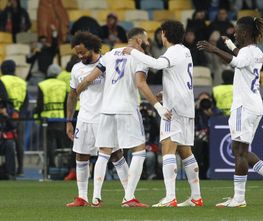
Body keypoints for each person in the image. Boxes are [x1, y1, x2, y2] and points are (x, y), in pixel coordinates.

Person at [76, 27, 170, 207]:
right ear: (140, 41)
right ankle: (129, 197)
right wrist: (157, 106)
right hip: (127, 109)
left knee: (104, 153)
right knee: (139, 151)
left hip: (106, 109)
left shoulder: (110, 54)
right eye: (147, 40)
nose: (149, 43)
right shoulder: (140, 55)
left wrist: (77, 91)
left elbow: (89, 79)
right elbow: (140, 84)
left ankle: (95, 197)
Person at [197, 16, 263, 207]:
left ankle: (239, 198)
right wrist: (228, 44)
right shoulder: (256, 52)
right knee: (240, 150)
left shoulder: (246, 52)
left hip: (244, 106)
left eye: (236, 31)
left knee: (240, 152)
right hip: (254, 105)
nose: (235, 33)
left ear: (244, 33)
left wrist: (215, 49)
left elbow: (236, 62)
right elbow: (240, 56)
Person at [124, 20, 203, 207]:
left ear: (165, 34)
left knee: (167, 149)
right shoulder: (185, 50)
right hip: (186, 105)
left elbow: (157, 64)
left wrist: (133, 51)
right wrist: (165, 93)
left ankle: (170, 197)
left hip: (173, 108)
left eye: (162, 32)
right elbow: (178, 77)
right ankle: (196, 197)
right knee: (185, 151)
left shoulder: (174, 51)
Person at [65, 32, 130, 207]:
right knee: (81, 155)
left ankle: (129, 196)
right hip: (85, 118)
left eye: (82, 52)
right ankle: (82, 197)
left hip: (106, 117)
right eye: (77, 53)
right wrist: (69, 121)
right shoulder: (76, 69)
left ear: (92, 48)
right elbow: (72, 96)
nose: (80, 56)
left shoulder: (108, 63)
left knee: (116, 155)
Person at [34, 64, 69, 169]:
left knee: (48, 143)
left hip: (47, 119)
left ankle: (51, 164)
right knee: (62, 143)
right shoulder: (63, 85)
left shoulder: (42, 84)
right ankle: (63, 165)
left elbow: (39, 103)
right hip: (60, 118)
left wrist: (36, 115)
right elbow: (66, 103)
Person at [0, 59, 28, 176]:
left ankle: (8, 169)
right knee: (19, 143)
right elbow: (26, 102)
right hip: (18, 116)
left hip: (5, 116)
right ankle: (20, 169)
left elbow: (3, 98)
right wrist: (19, 114)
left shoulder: (2, 80)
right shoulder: (22, 82)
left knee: (7, 141)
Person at [0, 99, 16, 180]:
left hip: (3, 141)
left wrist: (6, 115)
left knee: (9, 144)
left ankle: (10, 173)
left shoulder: (9, 114)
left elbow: (14, 126)